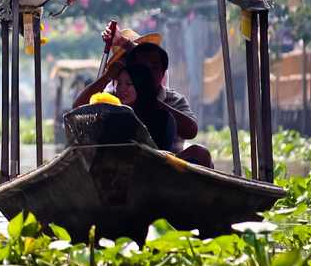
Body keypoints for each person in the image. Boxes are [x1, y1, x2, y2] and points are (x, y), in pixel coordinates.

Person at [76, 26, 213, 168]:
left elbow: (191, 131)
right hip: (121, 166)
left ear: (162, 72)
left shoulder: (172, 101)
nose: (147, 73)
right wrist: (106, 77)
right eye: (142, 68)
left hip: (164, 168)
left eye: (154, 68)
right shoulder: (115, 98)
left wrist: (152, 100)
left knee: (200, 153)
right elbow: (78, 109)